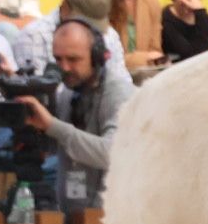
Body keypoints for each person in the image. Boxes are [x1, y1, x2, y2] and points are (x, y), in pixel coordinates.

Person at [17, 19, 135, 212]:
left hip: (109, 221)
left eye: (73, 59)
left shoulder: (119, 92)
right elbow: (65, 143)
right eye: (58, 59)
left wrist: (52, 126)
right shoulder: (69, 92)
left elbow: (112, 153)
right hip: (72, 217)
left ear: (97, 57)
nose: (64, 67)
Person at [13, 0, 129, 80]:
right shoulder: (34, 36)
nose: (91, 28)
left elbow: (122, 82)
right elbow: (38, 92)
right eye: (86, 21)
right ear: (65, 8)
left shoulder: (110, 35)